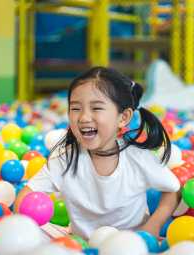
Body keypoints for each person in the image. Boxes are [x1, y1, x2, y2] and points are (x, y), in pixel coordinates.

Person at [15, 67, 180, 240]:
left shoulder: (138, 158)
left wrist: (152, 226)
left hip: (132, 244)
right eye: (76, 108)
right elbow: (26, 195)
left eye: (96, 108)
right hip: (81, 246)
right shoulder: (65, 158)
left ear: (123, 117)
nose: (84, 117)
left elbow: (173, 190)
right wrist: (25, 227)